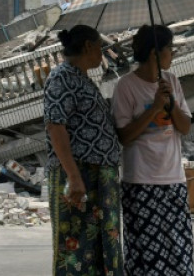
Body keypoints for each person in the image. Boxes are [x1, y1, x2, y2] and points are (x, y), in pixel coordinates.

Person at [112, 24, 194, 276]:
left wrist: (170, 105)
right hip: (141, 183)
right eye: (169, 48)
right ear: (154, 53)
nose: (173, 53)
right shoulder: (125, 86)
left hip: (173, 180)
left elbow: (185, 126)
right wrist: (154, 107)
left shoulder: (171, 81)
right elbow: (124, 136)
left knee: (180, 252)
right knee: (146, 254)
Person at [44, 24, 123, 276]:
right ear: (88, 46)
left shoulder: (81, 78)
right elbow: (56, 127)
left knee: (101, 245)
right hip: (80, 176)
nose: (101, 54)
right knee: (76, 248)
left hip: (99, 176)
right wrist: (74, 176)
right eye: (100, 47)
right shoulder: (62, 77)